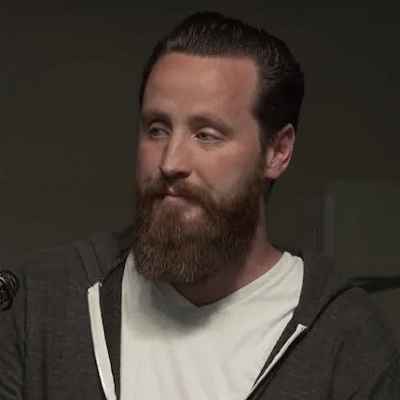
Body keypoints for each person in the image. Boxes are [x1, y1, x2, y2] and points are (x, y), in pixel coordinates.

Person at [1, 11, 399, 400]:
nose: (170, 161)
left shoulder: (348, 341)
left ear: (277, 151)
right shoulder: (42, 302)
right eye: (157, 129)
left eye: (206, 135)